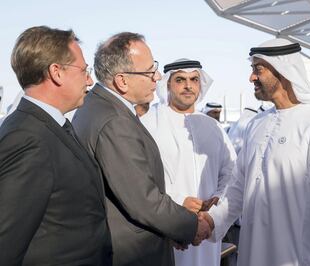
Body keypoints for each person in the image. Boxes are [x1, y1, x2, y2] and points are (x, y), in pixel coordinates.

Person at [200, 38, 310, 266]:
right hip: (252, 252)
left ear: (283, 71)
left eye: (258, 70)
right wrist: (210, 221)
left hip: (295, 256)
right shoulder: (257, 124)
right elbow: (238, 188)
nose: (251, 77)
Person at [72, 33, 209, 266]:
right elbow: (144, 201)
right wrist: (192, 225)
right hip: (133, 254)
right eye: (149, 71)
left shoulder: (102, 107)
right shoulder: (114, 120)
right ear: (122, 81)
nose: (157, 77)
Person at [0, 26, 112, 265]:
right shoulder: (27, 137)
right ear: (56, 72)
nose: (90, 80)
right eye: (84, 70)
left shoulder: (50, 127)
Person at [141, 59, 236, 266]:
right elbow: (139, 178)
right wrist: (176, 202)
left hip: (207, 226)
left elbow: (231, 171)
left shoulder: (213, 127)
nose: (188, 85)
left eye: (194, 79)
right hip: (167, 226)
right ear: (167, 84)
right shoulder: (149, 123)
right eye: (180, 80)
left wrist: (217, 199)